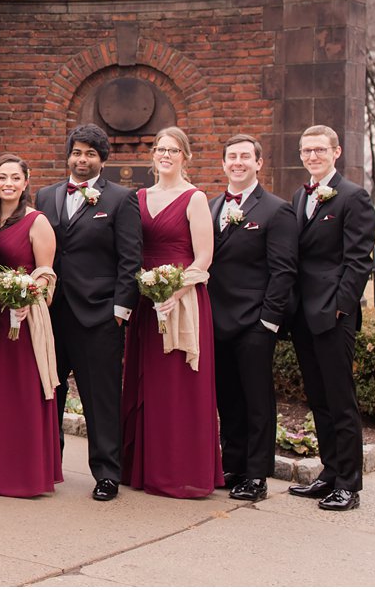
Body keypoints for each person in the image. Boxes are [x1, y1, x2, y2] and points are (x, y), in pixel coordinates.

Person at [36, 123, 142, 501]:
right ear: (68, 155)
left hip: (99, 316)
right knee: (51, 392)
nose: (82, 159)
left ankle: (107, 473)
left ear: (102, 159)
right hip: (52, 313)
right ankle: (49, 466)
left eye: (90, 154)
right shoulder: (45, 196)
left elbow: (130, 258)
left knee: (101, 397)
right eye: (77, 152)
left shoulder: (120, 199)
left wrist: (120, 310)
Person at [121, 126, 221, 499]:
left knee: (180, 386)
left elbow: (204, 257)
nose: (165, 155)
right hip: (147, 303)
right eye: (160, 149)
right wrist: (149, 289)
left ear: (185, 156)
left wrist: (175, 292)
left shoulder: (194, 198)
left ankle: (183, 471)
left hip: (184, 301)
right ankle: (145, 468)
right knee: (148, 382)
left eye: (173, 150)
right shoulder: (140, 197)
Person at [286, 124, 375, 512]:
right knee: (318, 398)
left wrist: (341, 306)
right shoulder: (298, 195)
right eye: (306, 151)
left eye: (320, 150)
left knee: (340, 400)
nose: (312, 156)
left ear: (336, 152)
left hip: (333, 314)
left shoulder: (354, 197)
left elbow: (359, 260)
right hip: (303, 314)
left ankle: (348, 484)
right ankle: (329, 472)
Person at [208, 134, 297, 503]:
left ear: (259, 163)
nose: (238, 162)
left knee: (257, 401)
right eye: (232, 157)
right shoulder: (211, 206)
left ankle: (257, 475)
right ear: (224, 163)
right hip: (216, 319)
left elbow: (284, 271)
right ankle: (233, 465)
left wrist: (268, 322)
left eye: (246, 156)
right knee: (227, 399)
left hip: (254, 323)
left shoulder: (276, 210)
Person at [0, 154, 63, 497]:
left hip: (21, 320)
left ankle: (24, 474)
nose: (8, 184)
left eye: (15, 178)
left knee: (20, 392)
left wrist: (27, 295)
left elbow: (46, 272)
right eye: (2, 178)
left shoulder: (36, 221)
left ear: (26, 182)